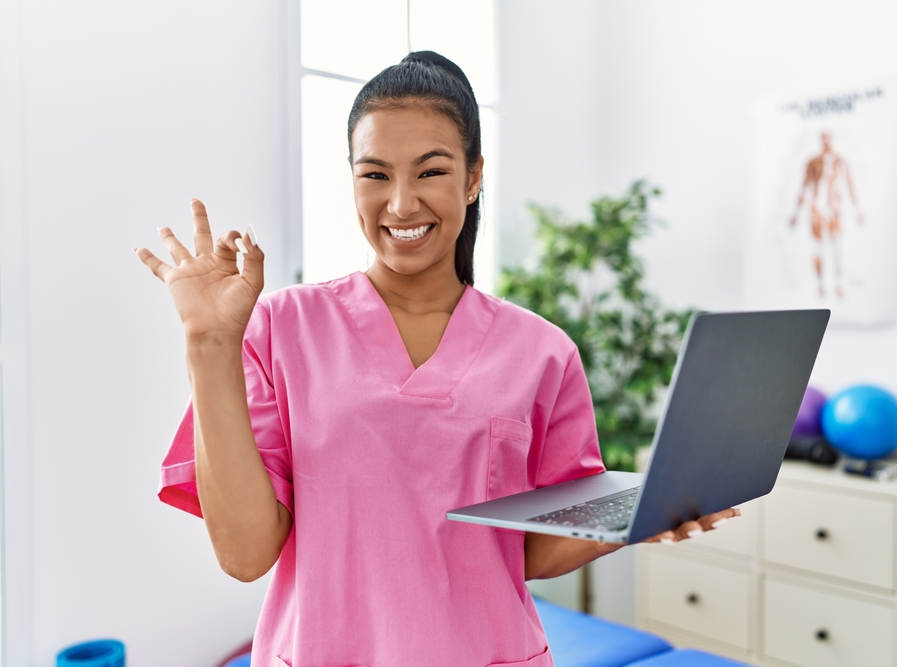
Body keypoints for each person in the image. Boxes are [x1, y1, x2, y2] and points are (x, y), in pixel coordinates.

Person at [135, 51, 738, 667]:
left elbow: (525, 552)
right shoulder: (278, 327)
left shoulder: (543, 353)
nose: (400, 205)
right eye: (374, 175)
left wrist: (633, 515)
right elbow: (244, 555)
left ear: (473, 177)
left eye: (429, 172)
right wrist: (209, 345)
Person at [789, 131, 864, 299]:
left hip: (834, 209)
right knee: (818, 248)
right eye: (823, 139)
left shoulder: (840, 162)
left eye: (829, 139)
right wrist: (795, 213)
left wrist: (857, 211)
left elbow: (850, 186)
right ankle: (820, 285)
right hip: (816, 208)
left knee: (836, 247)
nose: (827, 142)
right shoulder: (812, 162)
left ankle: (838, 284)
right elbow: (803, 187)